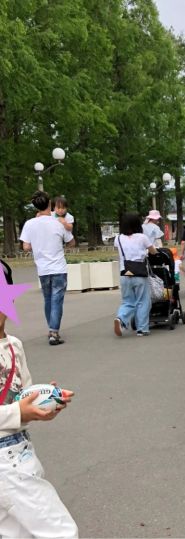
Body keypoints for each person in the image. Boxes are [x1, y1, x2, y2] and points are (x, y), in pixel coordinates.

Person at [0, 304, 78, 537]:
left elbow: (22, 396)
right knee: (62, 533)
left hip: (20, 449)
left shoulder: (14, 346)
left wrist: (46, 401)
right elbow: (18, 410)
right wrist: (18, 412)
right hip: (8, 464)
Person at [19, 191, 75, 346]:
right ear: (50, 204)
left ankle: (51, 328)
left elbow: (26, 247)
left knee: (48, 299)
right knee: (57, 299)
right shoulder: (58, 223)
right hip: (58, 267)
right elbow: (71, 242)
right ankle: (54, 332)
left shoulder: (29, 224)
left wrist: (38, 245)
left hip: (42, 268)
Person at [113, 212, 157, 337]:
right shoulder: (142, 237)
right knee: (143, 301)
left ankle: (121, 318)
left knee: (127, 301)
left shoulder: (118, 238)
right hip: (139, 273)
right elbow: (153, 251)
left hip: (124, 273)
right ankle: (142, 329)